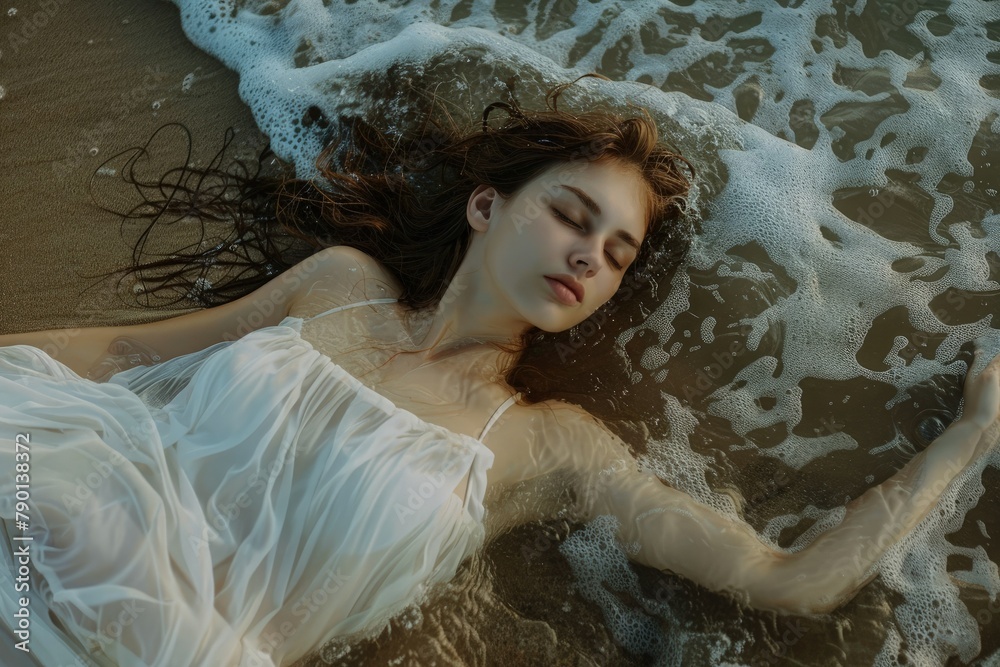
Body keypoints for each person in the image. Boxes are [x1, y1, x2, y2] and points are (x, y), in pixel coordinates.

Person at [0, 73, 997, 667]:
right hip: (61, 508)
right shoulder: (338, 287)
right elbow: (128, 351)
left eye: (614, 254)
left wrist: (964, 440)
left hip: (177, 647)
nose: (586, 255)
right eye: (572, 214)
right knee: (66, 501)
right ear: (486, 207)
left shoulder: (546, 447)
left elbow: (783, 580)